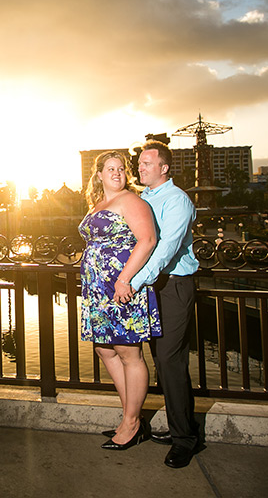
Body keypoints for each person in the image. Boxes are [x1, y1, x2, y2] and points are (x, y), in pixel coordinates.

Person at [78, 150, 161, 451]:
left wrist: (123, 279)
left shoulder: (130, 200)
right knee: (104, 350)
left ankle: (131, 423)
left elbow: (148, 240)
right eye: (109, 169)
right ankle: (131, 416)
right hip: (98, 290)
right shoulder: (98, 203)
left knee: (129, 353)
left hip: (120, 287)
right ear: (98, 175)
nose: (116, 173)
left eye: (121, 168)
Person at [129, 140, 200, 469]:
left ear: (164, 167)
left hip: (173, 286)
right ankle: (179, 427)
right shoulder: (143, 199)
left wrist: (133, 282)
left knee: (170, 360)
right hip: (151, 286)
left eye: (146, 163)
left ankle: (185, 440)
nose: (140, 168)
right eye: (140, 163)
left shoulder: (177, 201)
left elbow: (166, 248)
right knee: (163, 359)